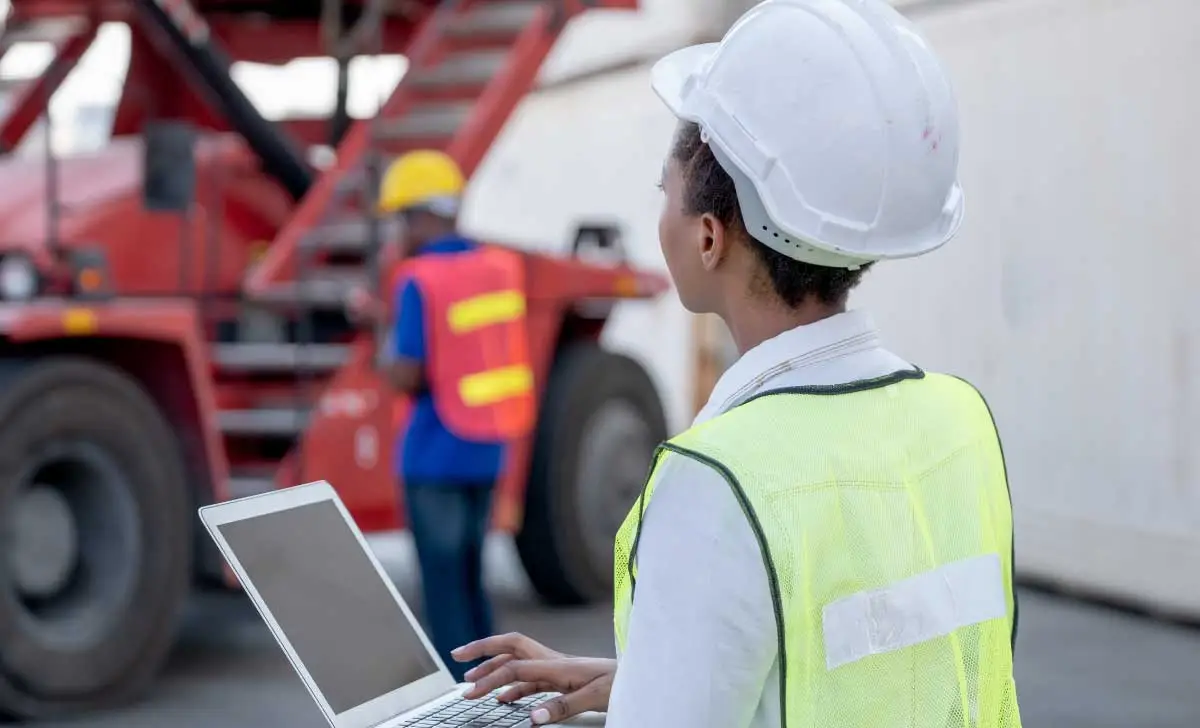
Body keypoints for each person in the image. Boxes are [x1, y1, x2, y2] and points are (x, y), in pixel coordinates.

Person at [450, 1, 1023, 726]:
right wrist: (656, 676)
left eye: (668, 192)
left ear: (711, 238)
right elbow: (878, 667)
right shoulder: (958, 419)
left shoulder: (717, 480)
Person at [352, 149, 536, 682]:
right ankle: (499, 687)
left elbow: (408, 373)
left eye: (401, 218)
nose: (397, 232)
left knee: (442, 590)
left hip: (433, 456)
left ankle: (461, 702)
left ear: (421, 216)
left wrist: (378, 335)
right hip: (485, 449)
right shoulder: (498, 268)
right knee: (472, 580)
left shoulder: (420, 278)